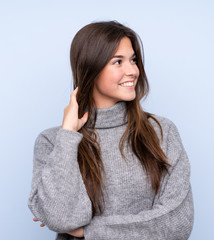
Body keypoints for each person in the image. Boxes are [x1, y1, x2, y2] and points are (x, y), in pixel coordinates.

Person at [28, 21, 194, 240]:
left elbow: (177, 222)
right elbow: (61, 218)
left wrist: (90, 232)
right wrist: (68, 133)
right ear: (91, 68)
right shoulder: (53, 141)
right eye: (118, 62)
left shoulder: (161, 132)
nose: (133, 71)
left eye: (133, 60)